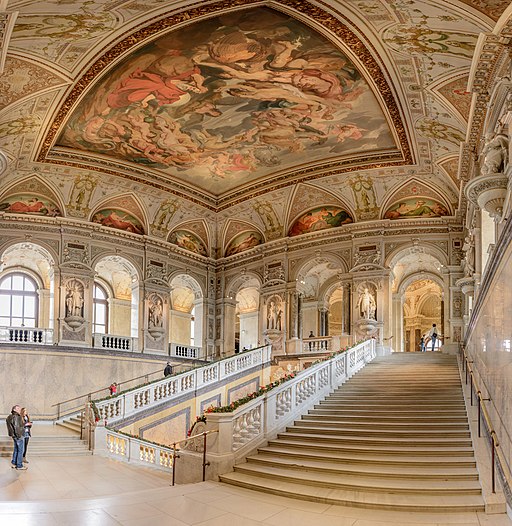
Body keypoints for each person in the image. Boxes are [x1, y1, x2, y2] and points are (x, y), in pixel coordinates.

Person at [6, 405, 27, 470]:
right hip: (18, 435)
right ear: (14, 409)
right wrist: (19, 436)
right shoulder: (16, 417)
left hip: (14, 435)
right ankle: (19, 465)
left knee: (16, 449)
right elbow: (16, 427)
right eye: (18, 409)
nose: (20, 410)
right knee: (20, 450)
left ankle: (14, 462)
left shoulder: (9, 417)